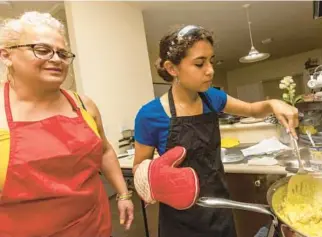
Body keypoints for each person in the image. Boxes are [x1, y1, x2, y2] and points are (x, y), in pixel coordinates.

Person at [133, 25, 299, 237]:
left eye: (211, 60)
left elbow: (251, 110)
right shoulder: (150, 115)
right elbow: (140, 168)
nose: (210, 70)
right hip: (180, 219)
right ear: (172, 68)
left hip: (219, 206)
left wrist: (274, 103)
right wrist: (157, 179)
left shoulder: (212, 98)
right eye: (199, 63)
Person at [0, 11, 133, 236]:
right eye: (41, 50)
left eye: (62, 54)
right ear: (6, 56)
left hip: (93, 225)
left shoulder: (83, 105)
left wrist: (123, 194)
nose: (56, 59)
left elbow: (105, 151)